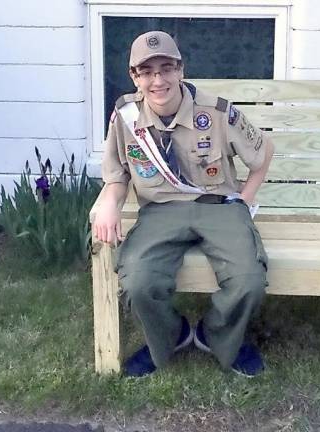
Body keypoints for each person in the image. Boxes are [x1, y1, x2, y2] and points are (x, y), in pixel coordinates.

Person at [93, 30, 273, 378]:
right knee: (139, 282)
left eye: (166, 68)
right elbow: (116, 175)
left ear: (181, 69)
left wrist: (244, 199)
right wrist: (110, 202)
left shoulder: (216, 111)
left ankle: (216, 335)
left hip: (218, 206)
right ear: (134, 76)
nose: (157, 80)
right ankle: (171, 335)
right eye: (146, 71)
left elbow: (264, 152)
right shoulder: (126, 118)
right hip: (161, 211)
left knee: (249, 280)